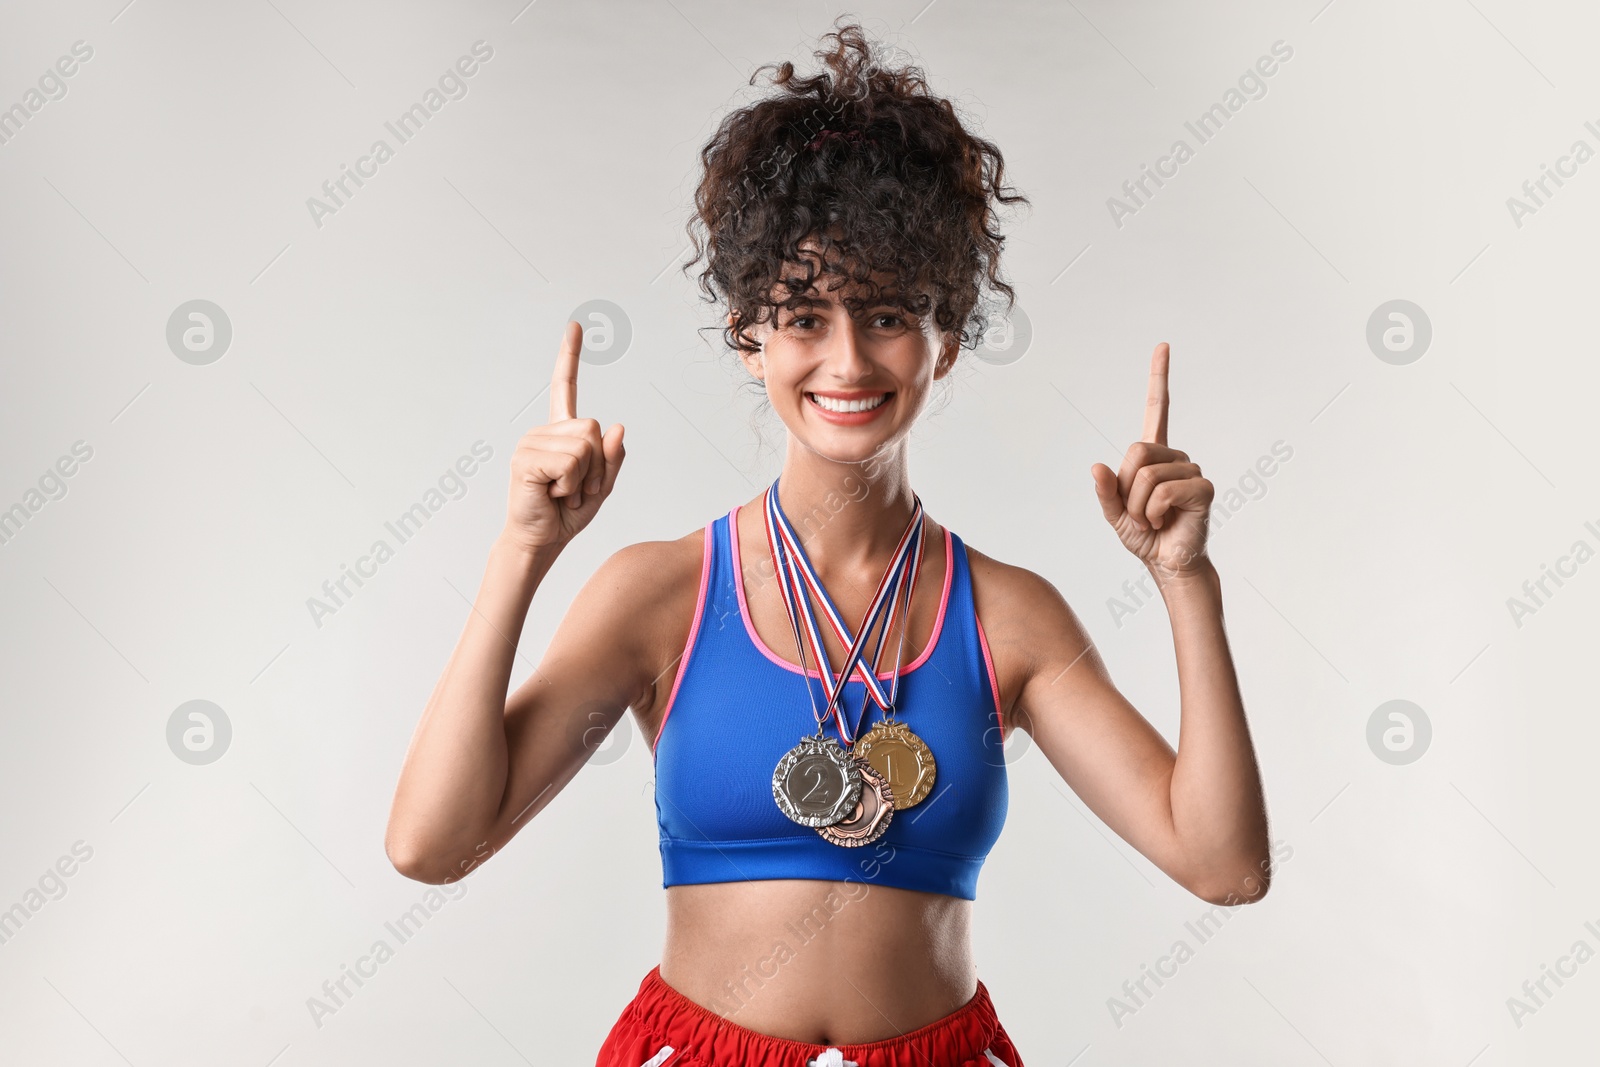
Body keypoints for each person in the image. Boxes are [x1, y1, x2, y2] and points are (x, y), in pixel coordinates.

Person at [384, 20, 1270, 1067]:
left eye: (888, 313)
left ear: (945, 339)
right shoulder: (660, 592)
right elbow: (431, 845)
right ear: (749, 333)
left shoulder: (1009, 616)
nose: (845, 359)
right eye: (804, 315)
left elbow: (1221, 865)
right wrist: (522, 549)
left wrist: (1186, 584)